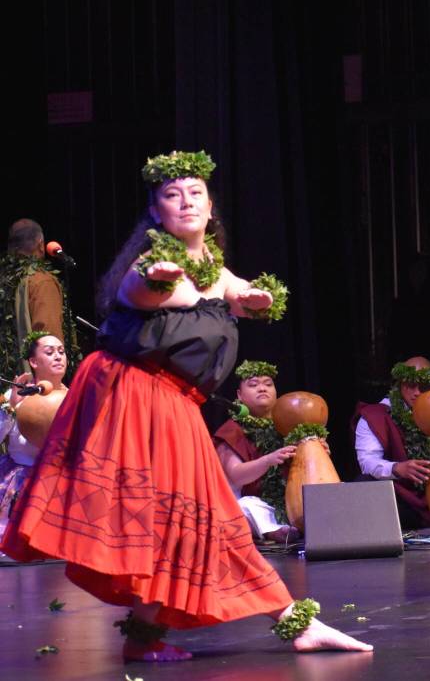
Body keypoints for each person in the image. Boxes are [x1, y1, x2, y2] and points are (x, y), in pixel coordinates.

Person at [0, 151, 371, 660]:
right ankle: (291, 623)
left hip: (173, 404)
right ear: (157, 211)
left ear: (211, 204)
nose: (186, 202)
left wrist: (256, 298)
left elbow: (239, 291)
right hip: (134, 397)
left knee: (184, 518)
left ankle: (147, 638)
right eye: (172, 195)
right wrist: (156, 279)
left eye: (195, 192)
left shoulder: (215, 269)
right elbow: (140, 288)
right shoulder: (152, 263)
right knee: (187, 513)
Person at [352, 356, 430, 528]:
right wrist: (398, 468)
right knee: (364, 483)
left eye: (424, 386)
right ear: (400, 384)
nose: (417, 392)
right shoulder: (376, 415)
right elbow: (367, 463)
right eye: (411, 385)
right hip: (399, 498)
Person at [213, 360, 299, 543]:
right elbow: (236, 476)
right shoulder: (232, 430)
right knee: (246, 506)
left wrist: (317, 450)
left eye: (268, 384)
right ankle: (274, 531)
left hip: (289, 503)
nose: (262, 388)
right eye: (253, 385)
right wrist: (268, 460)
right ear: (239, 395)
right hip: (252, 505)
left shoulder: (288, 427)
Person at [0, 332, 69, 546]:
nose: (58, 356)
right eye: (49, 352)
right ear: (33, 361)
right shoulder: (16, 396)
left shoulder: (76, 396)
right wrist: (11, 407)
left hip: (62, 481)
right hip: (22, 482)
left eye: (61, 351)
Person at [1, 219, 67, 378]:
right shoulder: (41, 281)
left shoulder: (4, 279)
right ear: (40, 244)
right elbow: (48, 340)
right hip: (31, 388)